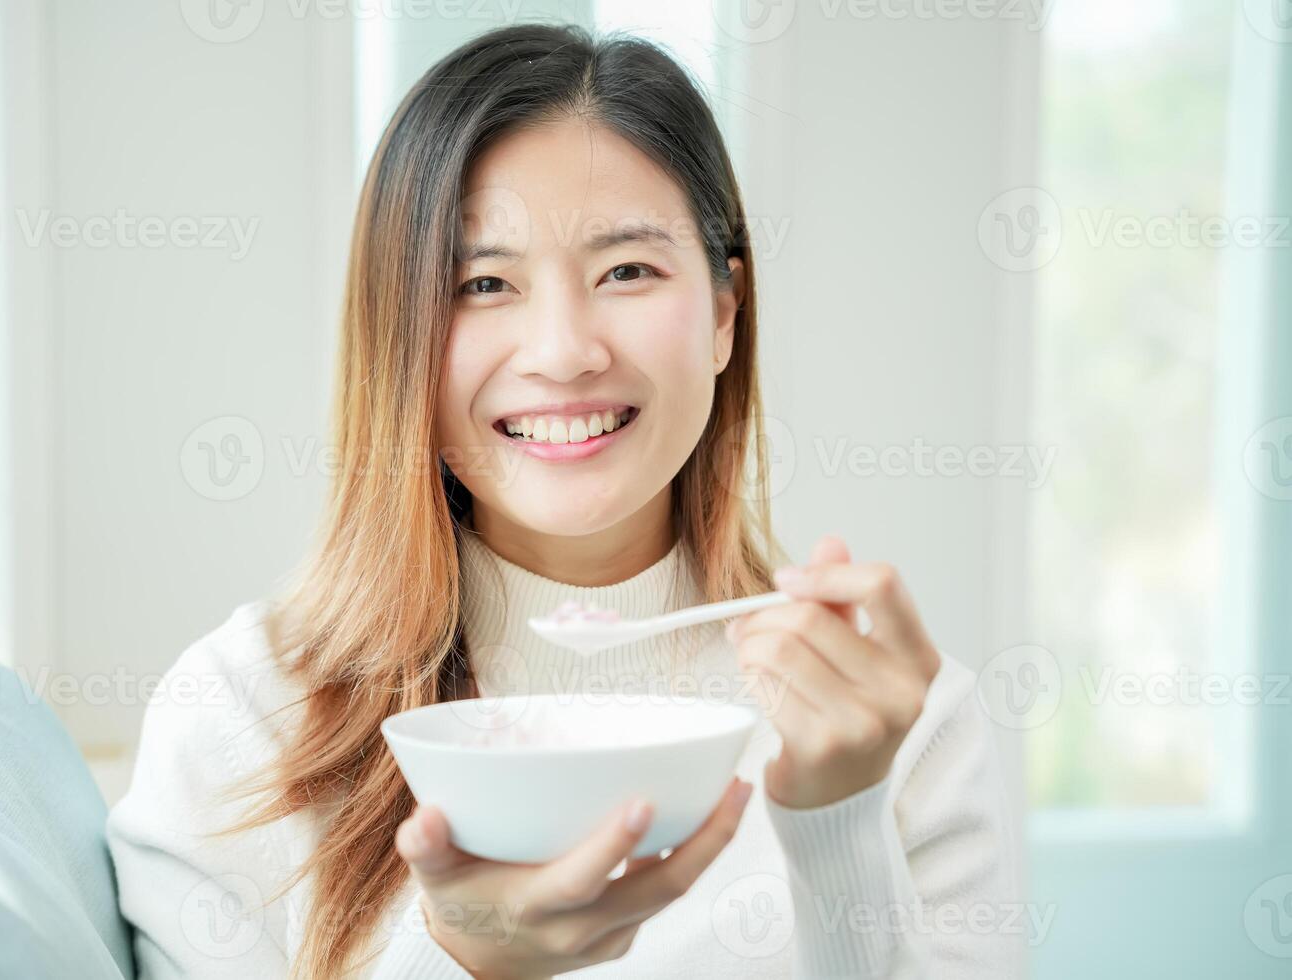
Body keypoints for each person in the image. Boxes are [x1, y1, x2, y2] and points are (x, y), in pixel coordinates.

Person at [107, 22, 1021, 979]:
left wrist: (837, 824)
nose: (563, 351)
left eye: (627, 270)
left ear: (722, 312)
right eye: (484, 282)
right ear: (398, 336)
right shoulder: (243, 711)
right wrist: (464, 962)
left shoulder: (897, 721)